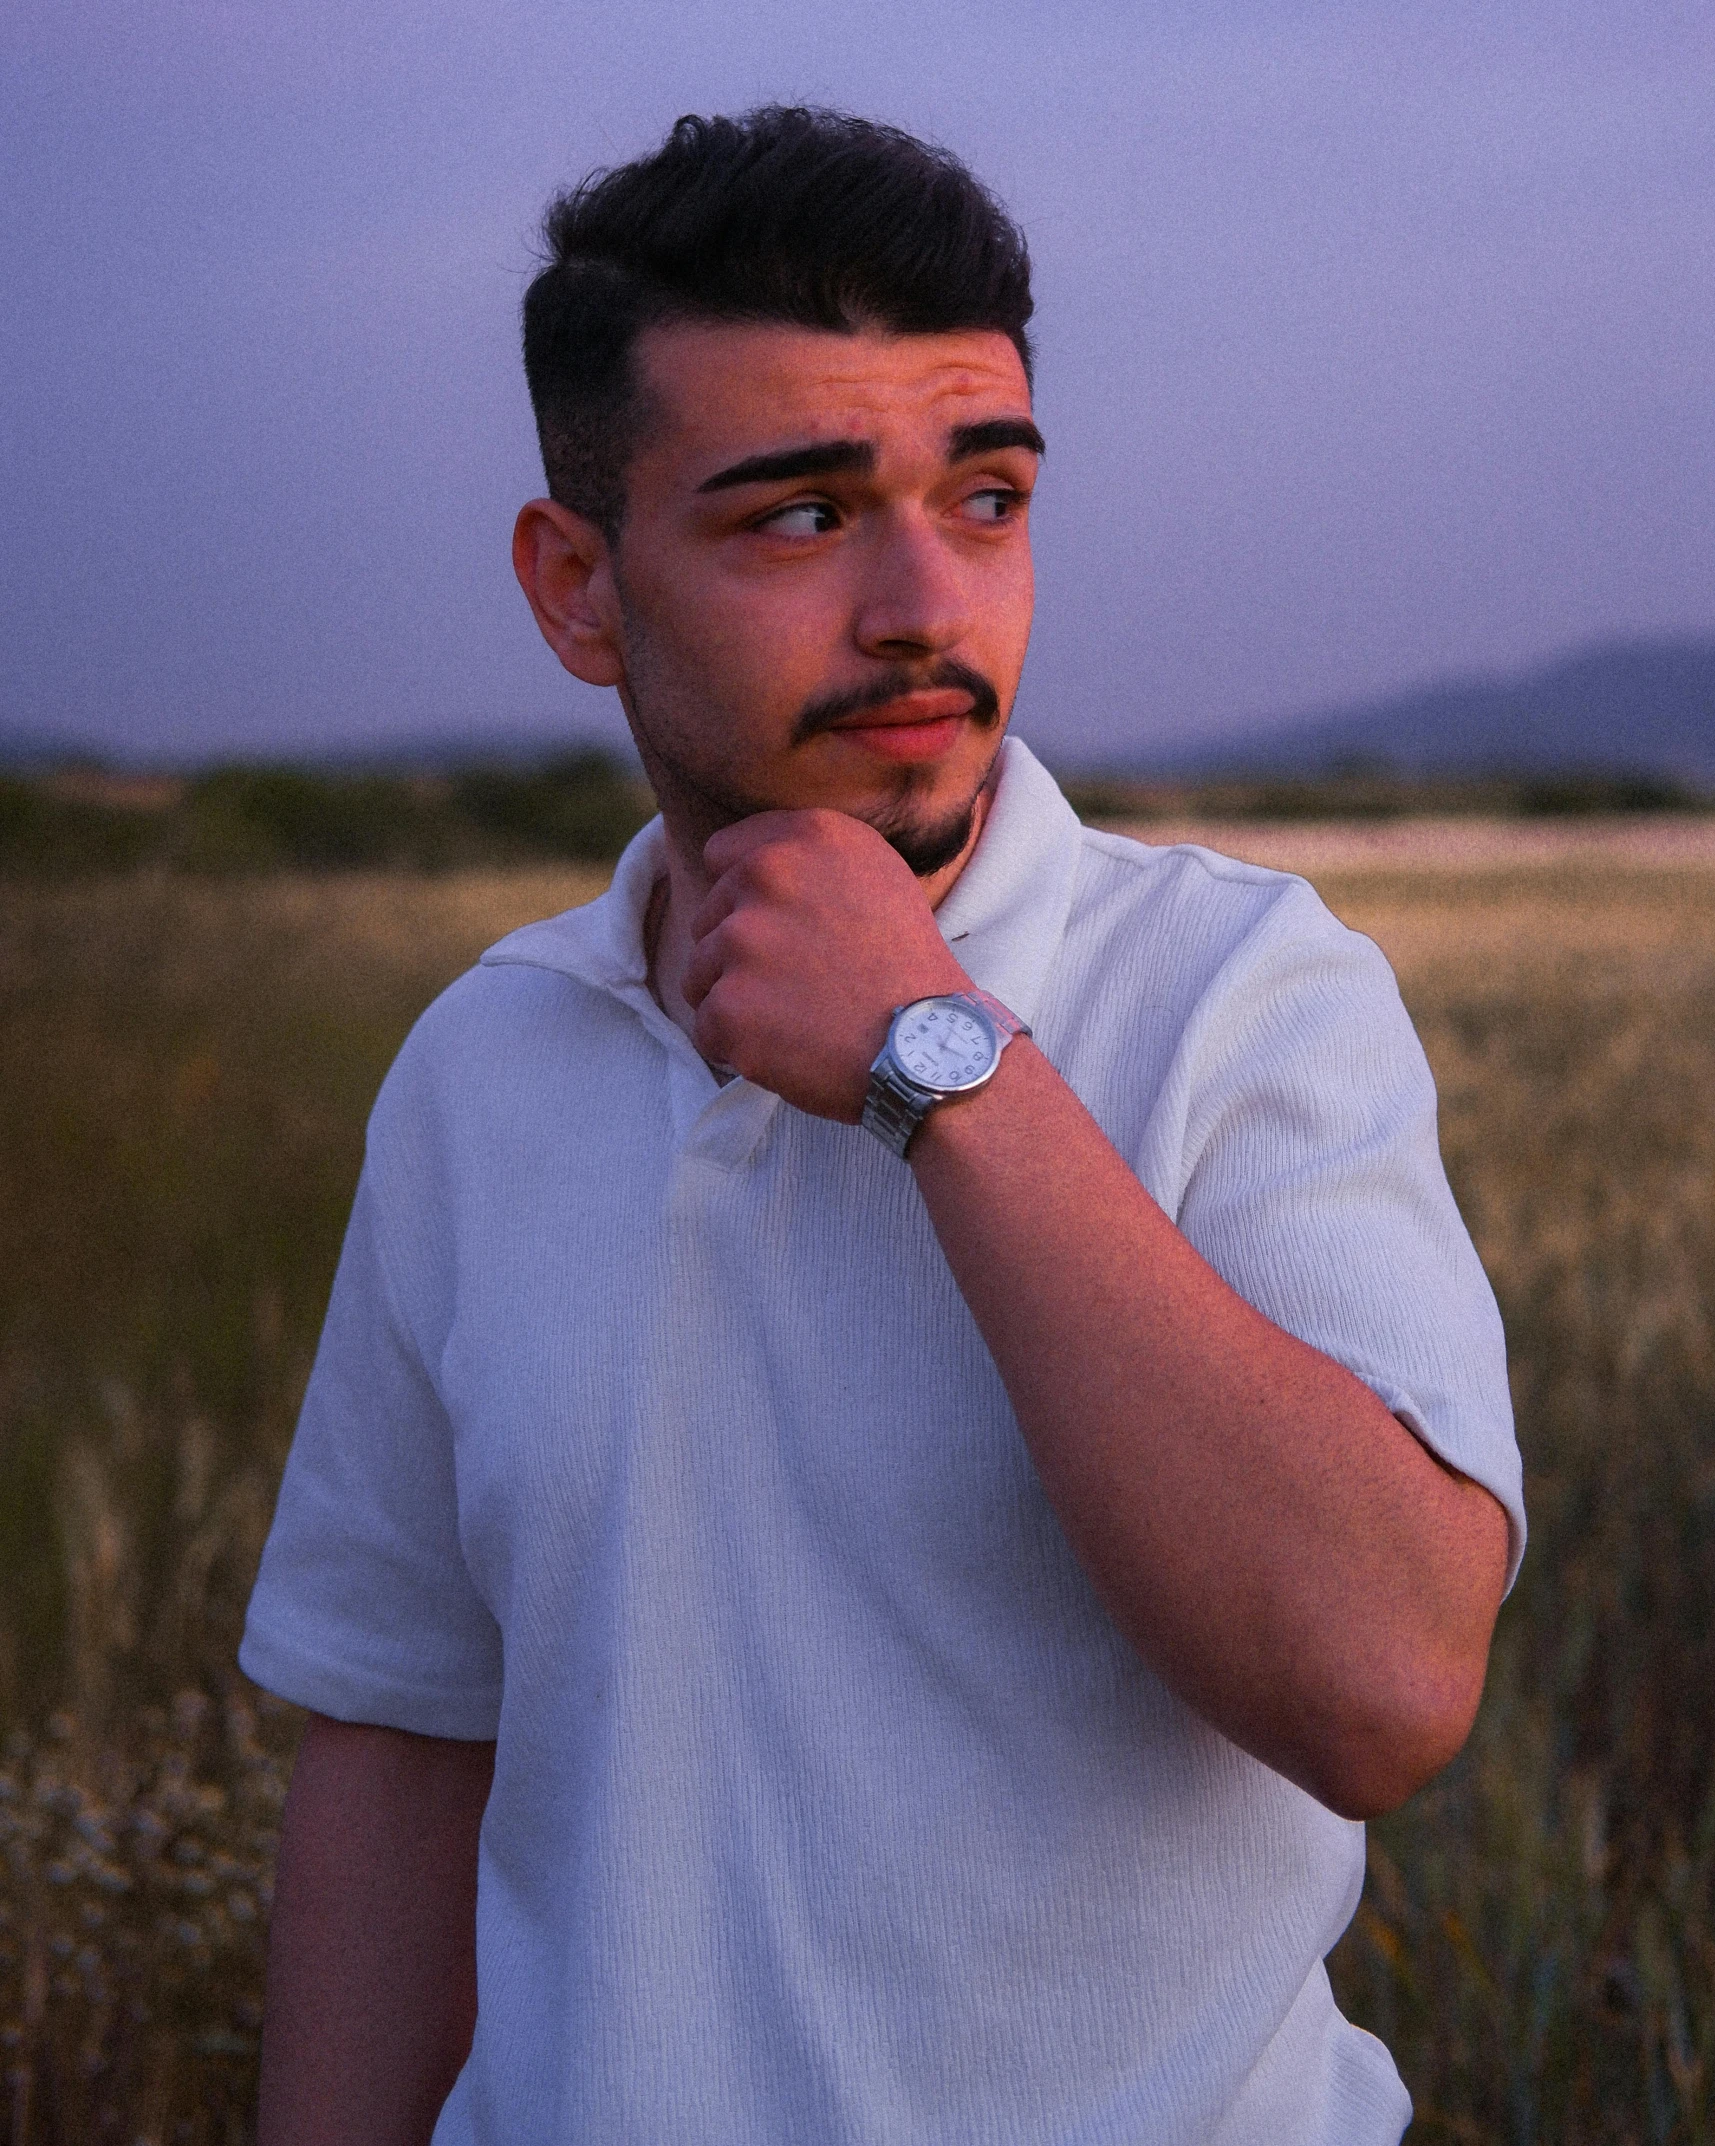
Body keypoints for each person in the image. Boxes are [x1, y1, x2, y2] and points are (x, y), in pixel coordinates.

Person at [242, 107, 1523, 2146]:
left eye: (988, 495)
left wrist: (940, 1060)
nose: (928, 604)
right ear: (578, 588)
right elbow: (400, 1746)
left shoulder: (1244, 991)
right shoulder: (484, 1070)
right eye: (801, 518)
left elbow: (1377, 1678)